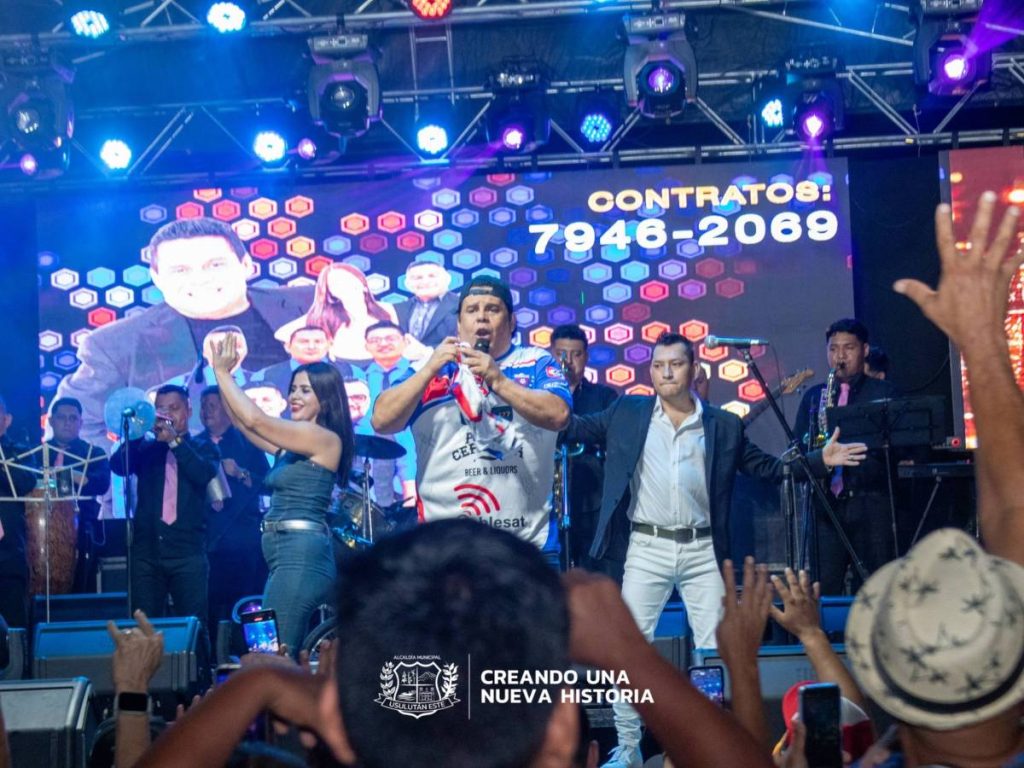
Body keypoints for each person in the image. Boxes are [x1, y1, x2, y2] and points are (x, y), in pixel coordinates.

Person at [136, 521, 777, 768]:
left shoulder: (315, 707)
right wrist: (636, 661)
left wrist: (260, 681)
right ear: (559, 733)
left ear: (335, 719)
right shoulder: (561, 722)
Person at [563, 331, 866, 768]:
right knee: (629, 645)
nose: (666, 373)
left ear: (694, 370)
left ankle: (709, 739)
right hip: (646, 545)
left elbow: (767, 468)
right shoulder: (629, 412)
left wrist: (820, 461)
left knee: (713, 649)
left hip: (702, 548)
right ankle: (627, 747)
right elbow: (572, 424)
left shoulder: (723, 424)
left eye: (676, 364)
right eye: (658, 365)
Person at [55, 217, 312, 445]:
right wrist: (127, 485)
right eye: (180, 270)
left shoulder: (312, 303)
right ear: (156, 278)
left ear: (247, 265)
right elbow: (71, 429)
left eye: (215, 265)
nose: (200, 279)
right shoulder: (115, 344)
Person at [372, 275, 571, 561]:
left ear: (511, 322)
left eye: (492, 309)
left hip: (527, 546)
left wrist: (498, 380)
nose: (481, 319)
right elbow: (382, 420)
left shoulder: (535, 361)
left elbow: (559, 415)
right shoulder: (430, 368)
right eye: (472, 310)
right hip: (443, 549)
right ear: (458, 324)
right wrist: (429, 370)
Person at [209, 335, 354, 656]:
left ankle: (283, 707)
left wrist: (222, 373)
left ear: (326, 400)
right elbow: (243, 426)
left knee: (274, 653)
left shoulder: (323, 438)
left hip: (300, 558)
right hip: (285, 557)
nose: (294, 397)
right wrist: (224, 376)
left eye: (305, 390)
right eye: (292, 389)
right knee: (273, 649)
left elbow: (255, 418)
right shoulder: (295, 445)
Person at [792, 318, 898, 595]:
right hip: (827, 507)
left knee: (875, 588)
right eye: (833, 349)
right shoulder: (815, 397)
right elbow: (798, 453)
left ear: (864, 350)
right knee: (824, 588)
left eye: (848, 348)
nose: (839, 356)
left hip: (870, 504)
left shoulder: (884, 393)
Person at [110, 384, 220, 629]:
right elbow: (118, 466)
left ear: (188, 410)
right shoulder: (146, 449)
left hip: (188, 553)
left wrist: (175, 442)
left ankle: (196, 668)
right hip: (147, 553)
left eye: (174, 408)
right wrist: (137, 432)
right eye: (160, 409)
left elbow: (202, 473)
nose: (167, 415)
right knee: (143, 626)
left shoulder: (204, 446)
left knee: (193, 626)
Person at [197, 386, 271, 631]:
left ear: (228, 409)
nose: (207, 411)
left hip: (243, 537)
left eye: (213, 406)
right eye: (203, 406)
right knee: (210, 606)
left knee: (249, 602)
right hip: (207, 539)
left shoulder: (248, 442)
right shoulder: (193, 445)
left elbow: (268, 483)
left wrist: (240, 473)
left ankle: (258, 657)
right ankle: (211, 661)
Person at [550, 324, 618, 574]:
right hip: (547, 499)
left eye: (576, 354)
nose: (567, 362)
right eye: (561, 354)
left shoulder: (603, 396)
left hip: (592, 501)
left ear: (586, 358)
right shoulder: (537, 396)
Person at [45, 397, 111, 593]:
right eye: (61, 418)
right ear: (51, 421)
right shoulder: (36, 453)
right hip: (40, 527)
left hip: (82, 526)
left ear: (81, 423)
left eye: (73, 418)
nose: (67, 422)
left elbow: (101, 483)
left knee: (81, 580)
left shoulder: (93, 453)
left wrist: (71, 475)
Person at [276, 263, 397, 366]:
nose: (345, 285)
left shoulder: (386, 309)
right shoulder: (324, 316)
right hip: (343, 368)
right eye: (336, 283)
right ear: (331, 292)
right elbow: (282, 333)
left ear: (363, 284)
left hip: (383, 366)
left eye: (347, 279)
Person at [362, 321, 416, 508]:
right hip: (372, 451)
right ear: (366, 346)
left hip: (414, 446)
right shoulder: (359, 377)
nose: (383, 344)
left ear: (405, 342)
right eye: (375, 340)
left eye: (390, 338)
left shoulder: (419, 373)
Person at [0, 395, 38, 628]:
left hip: (9, 550)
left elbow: (26, 481)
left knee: (14, 621)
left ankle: (17, 664)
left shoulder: (19, 451)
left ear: (7, 419)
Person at [257, 326, 357, 400]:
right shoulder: (266, 375)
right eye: (303, 342)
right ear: (287, 346)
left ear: (329, 345)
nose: (311, 347)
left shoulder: (349, 371)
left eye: (318, 342)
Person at [393, 256, 460, 346]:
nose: (425, 281)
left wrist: (427, 353)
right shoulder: (397, 309)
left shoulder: (463, 305)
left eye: (432, 276)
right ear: (407, 284)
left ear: (447, 279)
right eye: (418, 278)